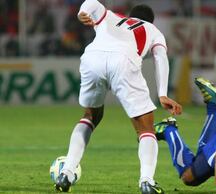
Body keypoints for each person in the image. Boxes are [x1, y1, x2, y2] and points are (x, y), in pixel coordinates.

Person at [55, 0, 182, 193]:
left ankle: (67, 172)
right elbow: (160, 57)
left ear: (131, 15)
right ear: (151, 21)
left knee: (90, 116)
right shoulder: (153, 31)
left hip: (92, 58)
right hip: (124, 61)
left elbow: (92, 3)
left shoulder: (113, 17)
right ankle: (147, 181)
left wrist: (82, 12)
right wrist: (163, 93)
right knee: (145, 129)